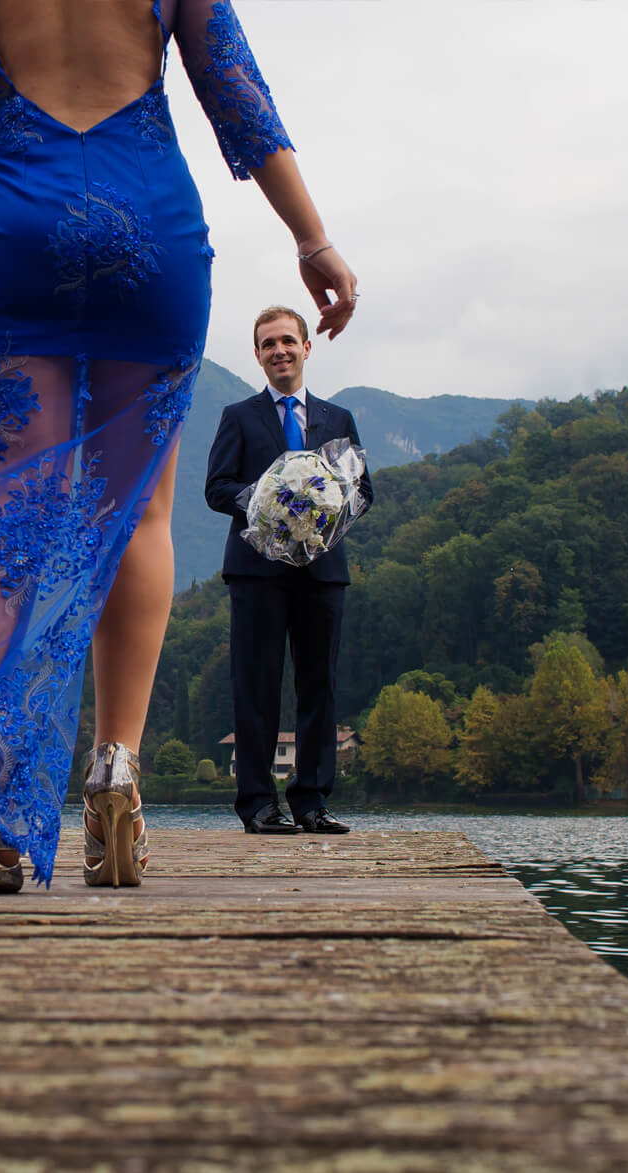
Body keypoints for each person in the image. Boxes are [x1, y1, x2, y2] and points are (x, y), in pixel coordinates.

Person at [0, 0, 357, 893]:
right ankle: (117, 775)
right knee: (140, 512)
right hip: (151, 228)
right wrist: (312, 237)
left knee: (4, 504)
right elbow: (234, 90)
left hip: (11, 227)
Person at [204, 306, 373, 835]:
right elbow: (216, 488)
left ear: (306, 347)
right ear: (257, 356)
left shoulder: (338, 420)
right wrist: (262, 501)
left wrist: (325, 511)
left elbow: (362, 491)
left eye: (287, 341)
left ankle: (312, 802)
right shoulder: (239, 416)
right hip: (256, 571)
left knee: (318, 683)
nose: (279, 351)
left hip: (322, 572)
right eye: (268, 344)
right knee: (255, 684)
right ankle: (258, 804)